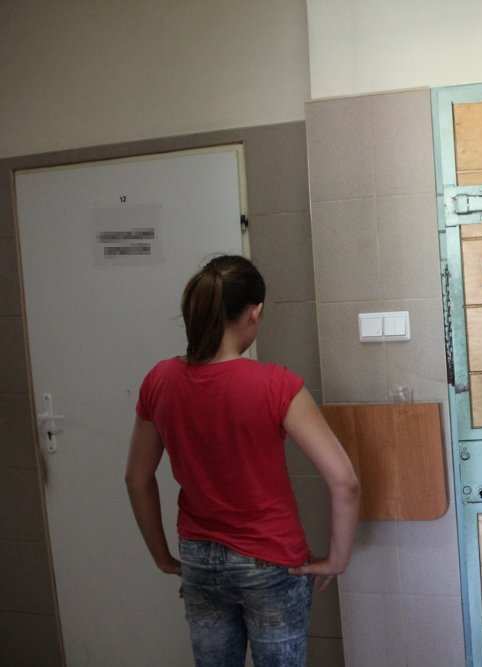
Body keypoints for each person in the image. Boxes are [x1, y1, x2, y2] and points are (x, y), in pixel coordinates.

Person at [125, 255, 361, 667]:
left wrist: (162, 556)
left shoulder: (159, 380)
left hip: (198, 557)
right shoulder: (276, 384)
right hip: (271, 560)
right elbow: (345, 482)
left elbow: (136, 478)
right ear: (255, 313)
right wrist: (337, 558)